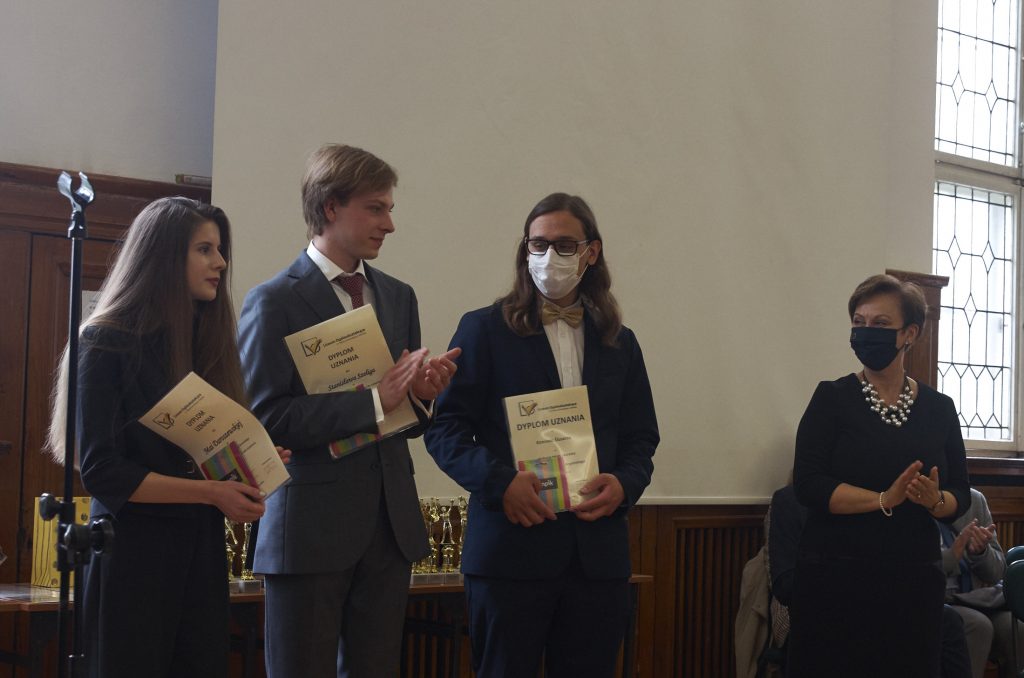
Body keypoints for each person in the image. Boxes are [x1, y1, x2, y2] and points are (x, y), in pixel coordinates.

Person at [238, 143, 458, 678]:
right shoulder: (273, 300)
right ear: (331, 206)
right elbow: (267, 419)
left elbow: (402, 419)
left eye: (390, 209)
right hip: (309, 529)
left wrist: (421, 394)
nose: (390, 224)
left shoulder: (399, 296)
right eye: (376, 208)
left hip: (389, 525)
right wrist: (375, 400)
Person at [424, 192, 659, 677]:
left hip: (597, 558)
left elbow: (641, 437)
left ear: (591, 252)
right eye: (538, 244)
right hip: (509, 553)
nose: (549, 256)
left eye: (564, 245)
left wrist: (624, 484)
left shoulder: (620, 341)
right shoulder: (483, 329)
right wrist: (500, 483)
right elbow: (445, 429)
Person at [45, 197, 282, 678]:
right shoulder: (104, 341)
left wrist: (247, 461)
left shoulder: (205, 341)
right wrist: (211, 492)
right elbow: (103, 471)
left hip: (199, 549)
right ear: (163, 257)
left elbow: (193, 453)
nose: (221, 262)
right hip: (132, 554)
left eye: (220, 249)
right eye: (204, 249)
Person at [789, 273, 970, 678]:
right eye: (859, 322)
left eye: (880, 324)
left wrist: (935, 501)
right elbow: (809, 484)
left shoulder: (939, 408)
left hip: (913, 582)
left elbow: (960, 490)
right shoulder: (831, 398)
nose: (865, 332)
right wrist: (884, 499)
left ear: (910, 334)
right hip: (836, 578)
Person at [940, 487, 1019, 678]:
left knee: (1017, 627)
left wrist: (981, 553)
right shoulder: (910, 501)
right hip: (940, 601)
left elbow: (997, 572)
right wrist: (953, 555)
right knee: (978, 625)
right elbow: (914, 570)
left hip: (978, 599)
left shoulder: (974, 500)